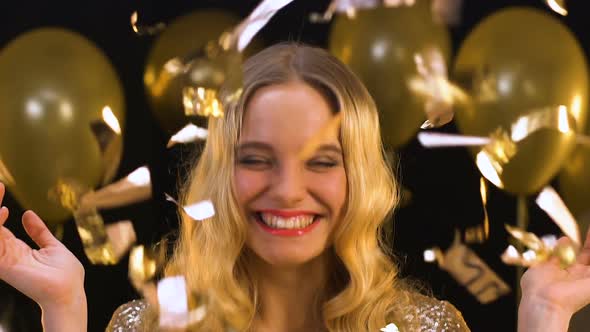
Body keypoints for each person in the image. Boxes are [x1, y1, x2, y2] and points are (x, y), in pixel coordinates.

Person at [1, 43, 589, 332]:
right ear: (221, 173)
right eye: (257, 159)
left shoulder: (426, 328)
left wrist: (542, 313)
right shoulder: (146, 326)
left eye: (322, 162)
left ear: (359, 179)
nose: (287, 189)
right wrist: (63, 309)